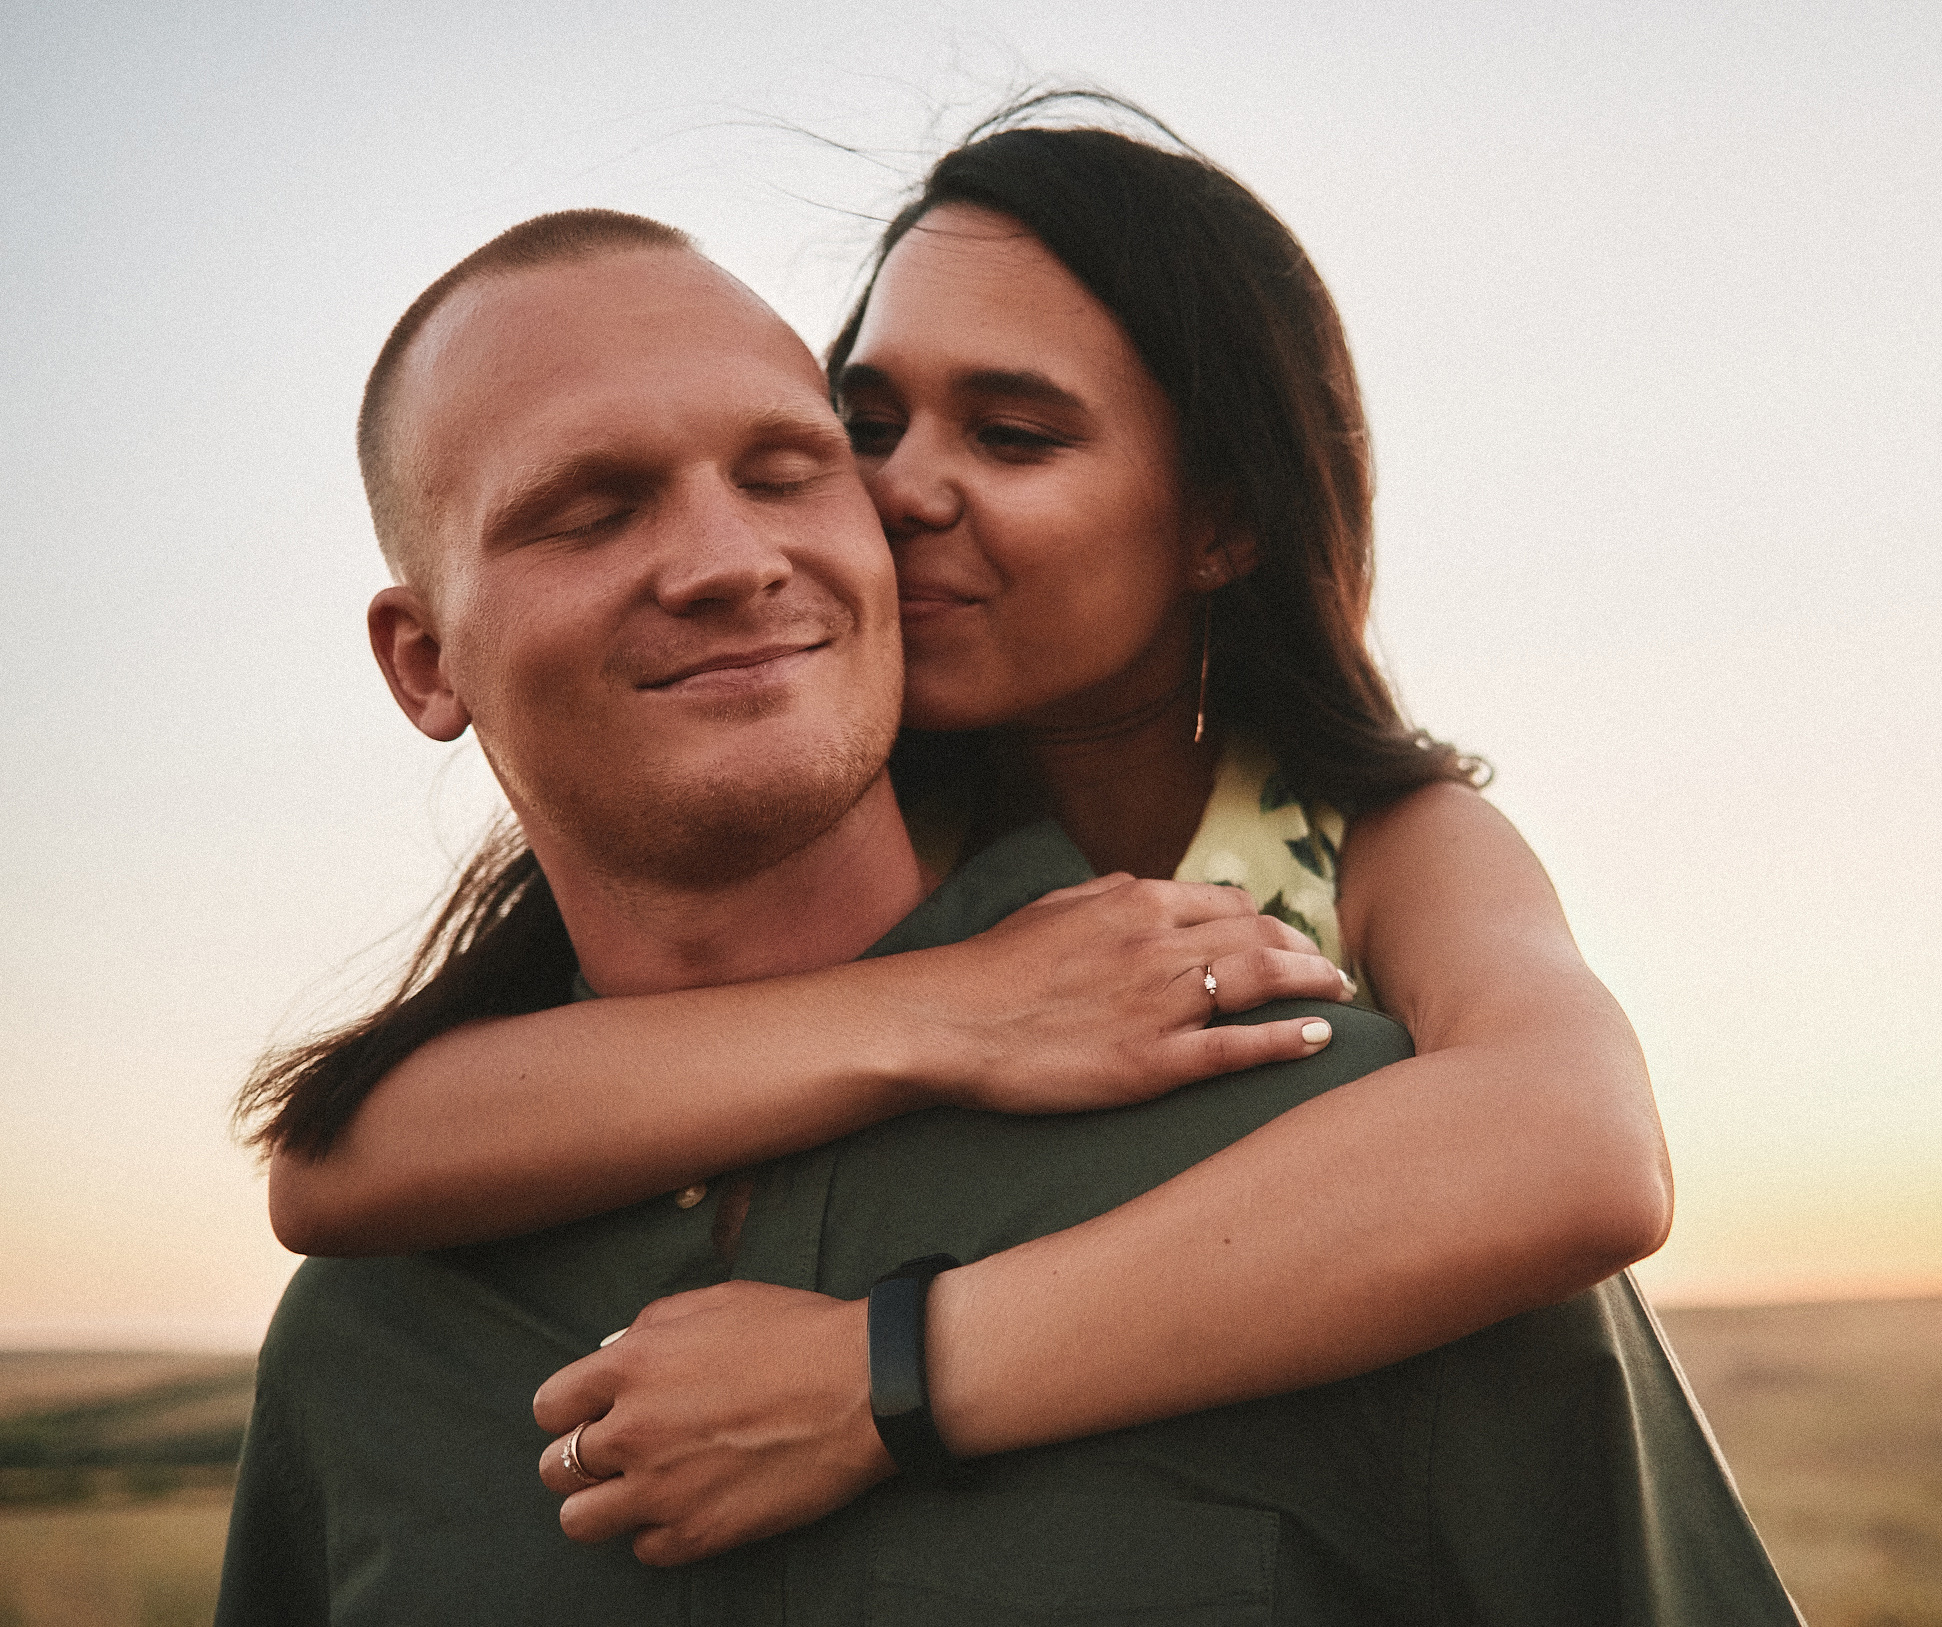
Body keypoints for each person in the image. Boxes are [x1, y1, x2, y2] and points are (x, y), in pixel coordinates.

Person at [218, 205, 1797, 1625]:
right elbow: (331, 1166)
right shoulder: (383, 1325)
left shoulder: (1368, 1029)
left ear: (1215, 524)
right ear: (425, 661)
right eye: (870, 428)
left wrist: (884, 1373)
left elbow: (1576, 1139)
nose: (898, 501)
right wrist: (950, 1012)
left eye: (788, 468)